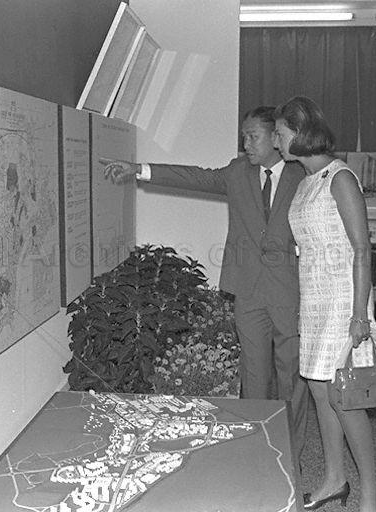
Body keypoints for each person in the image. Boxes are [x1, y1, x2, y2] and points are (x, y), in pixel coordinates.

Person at [103, 106, 310, 461]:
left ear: (276, 139)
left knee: (292, 373)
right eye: (243, 136)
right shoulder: (236, 172)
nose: (245, 143)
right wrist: (141, 170)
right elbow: (194, 177)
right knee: (254, 372)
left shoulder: (300, 175)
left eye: (253, 136)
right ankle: (257, 449)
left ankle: (291, 451)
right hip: (247, 289)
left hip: (288, 290)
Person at [275, 96, 376, 512]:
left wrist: (360, 314)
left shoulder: (340, 177)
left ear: (303, 133)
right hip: (315, 299)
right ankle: (334, 479)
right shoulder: (306, 180)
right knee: (319, 393)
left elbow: (362, 249)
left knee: (345, 398)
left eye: (280, 133)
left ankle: (368, 491)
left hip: (344, 300)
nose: (276, 141)